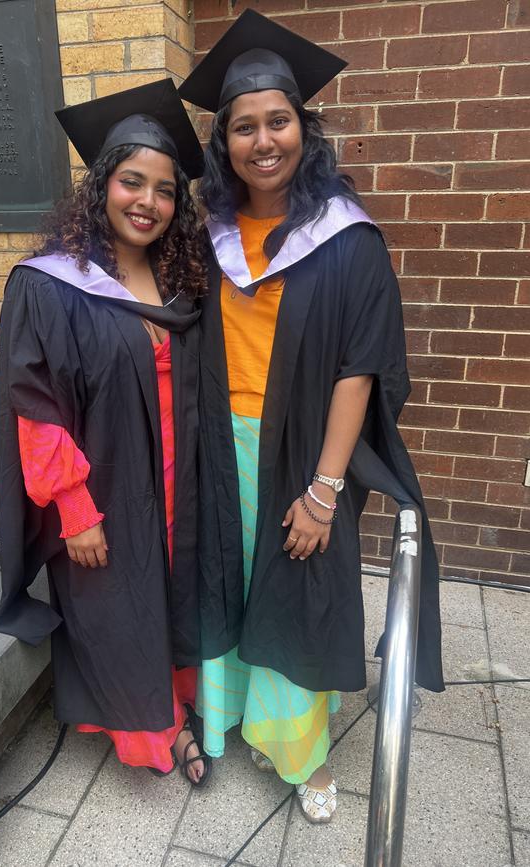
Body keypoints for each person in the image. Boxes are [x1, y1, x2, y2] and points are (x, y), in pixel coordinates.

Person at [179, 10, 443, 821]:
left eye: (279, 122)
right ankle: (231, 718)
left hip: (298, 450)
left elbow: (361, 369)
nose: (264, 141)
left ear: (305, 127)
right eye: (245, 127)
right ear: (225, 142)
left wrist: (327, 487)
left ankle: (302, 752)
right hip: (222, 444)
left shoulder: (347, 238)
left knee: (295, 588)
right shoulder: (212, 233)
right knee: (231, 580)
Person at [0, 79, 211, 786]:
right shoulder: (51, 283)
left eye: (165, 190)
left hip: (176, 479)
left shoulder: (182, 278)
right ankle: (155, 734)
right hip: (103, 482)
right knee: (119, 602)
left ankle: (177, 699)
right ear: (102, 186)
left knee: (168, 590)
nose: (148, 201)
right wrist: (74, 507)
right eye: (131, 182)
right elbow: (35, 404)